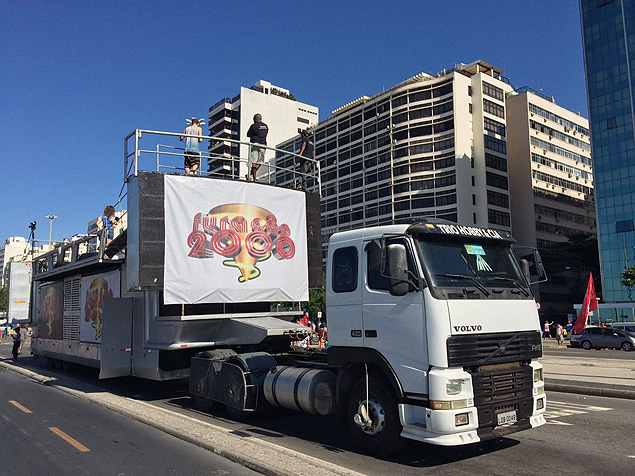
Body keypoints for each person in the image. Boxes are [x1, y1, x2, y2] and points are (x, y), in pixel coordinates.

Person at [246, 113, 268, 182]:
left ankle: (253, 178)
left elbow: (248, 134)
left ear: (255, 119)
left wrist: (253, 135)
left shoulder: (253, 126)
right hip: (263, 144)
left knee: (253, 161)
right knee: (261, 161)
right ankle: (250, 175)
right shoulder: (266, 126)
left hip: (254, 144)